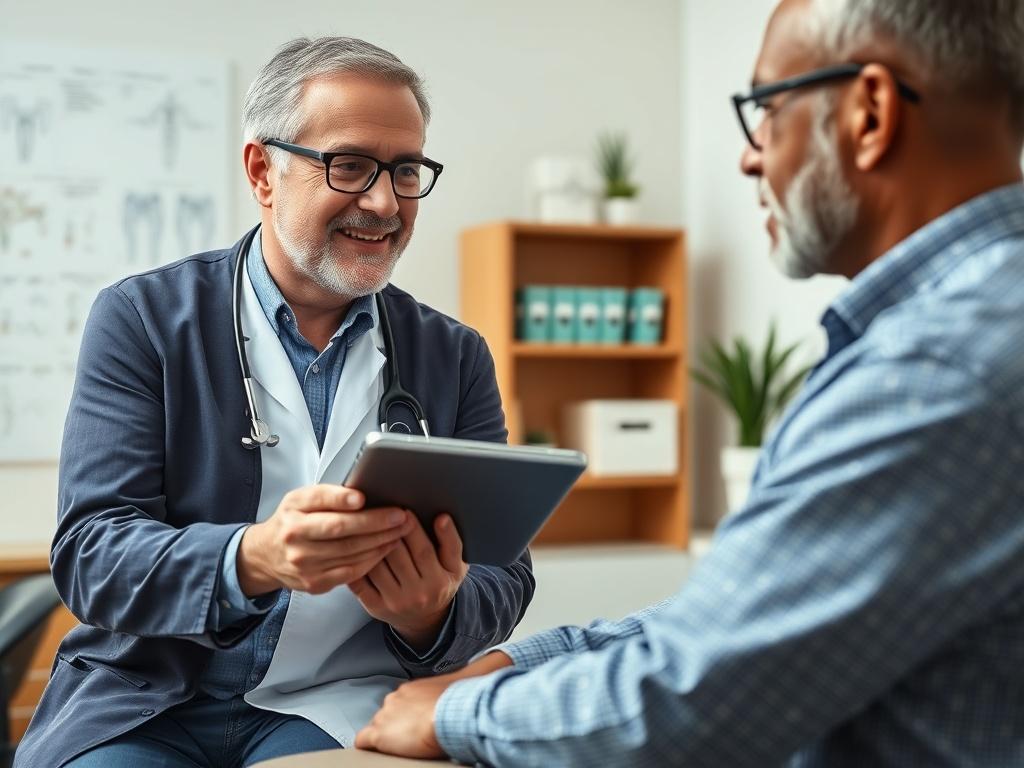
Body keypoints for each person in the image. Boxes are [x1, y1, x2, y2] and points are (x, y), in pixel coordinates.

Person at [356, 0, 1024, 764]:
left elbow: (689, 700)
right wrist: (524, 663)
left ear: (869, 112)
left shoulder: (938, 371)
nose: (750, 156)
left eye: (766, 111)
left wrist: (458, 716)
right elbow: (755, 618)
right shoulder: (976, 328)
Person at [15, 37, 534, 768]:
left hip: (336, 702)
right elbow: (93, 553)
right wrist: (251, 557)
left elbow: (505, 572)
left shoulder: (453, 357)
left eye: (406, 170)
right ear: (263, 171)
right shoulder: (143, 320)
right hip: (147, 703)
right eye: (350, 165)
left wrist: (435, 613)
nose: (384, 202)